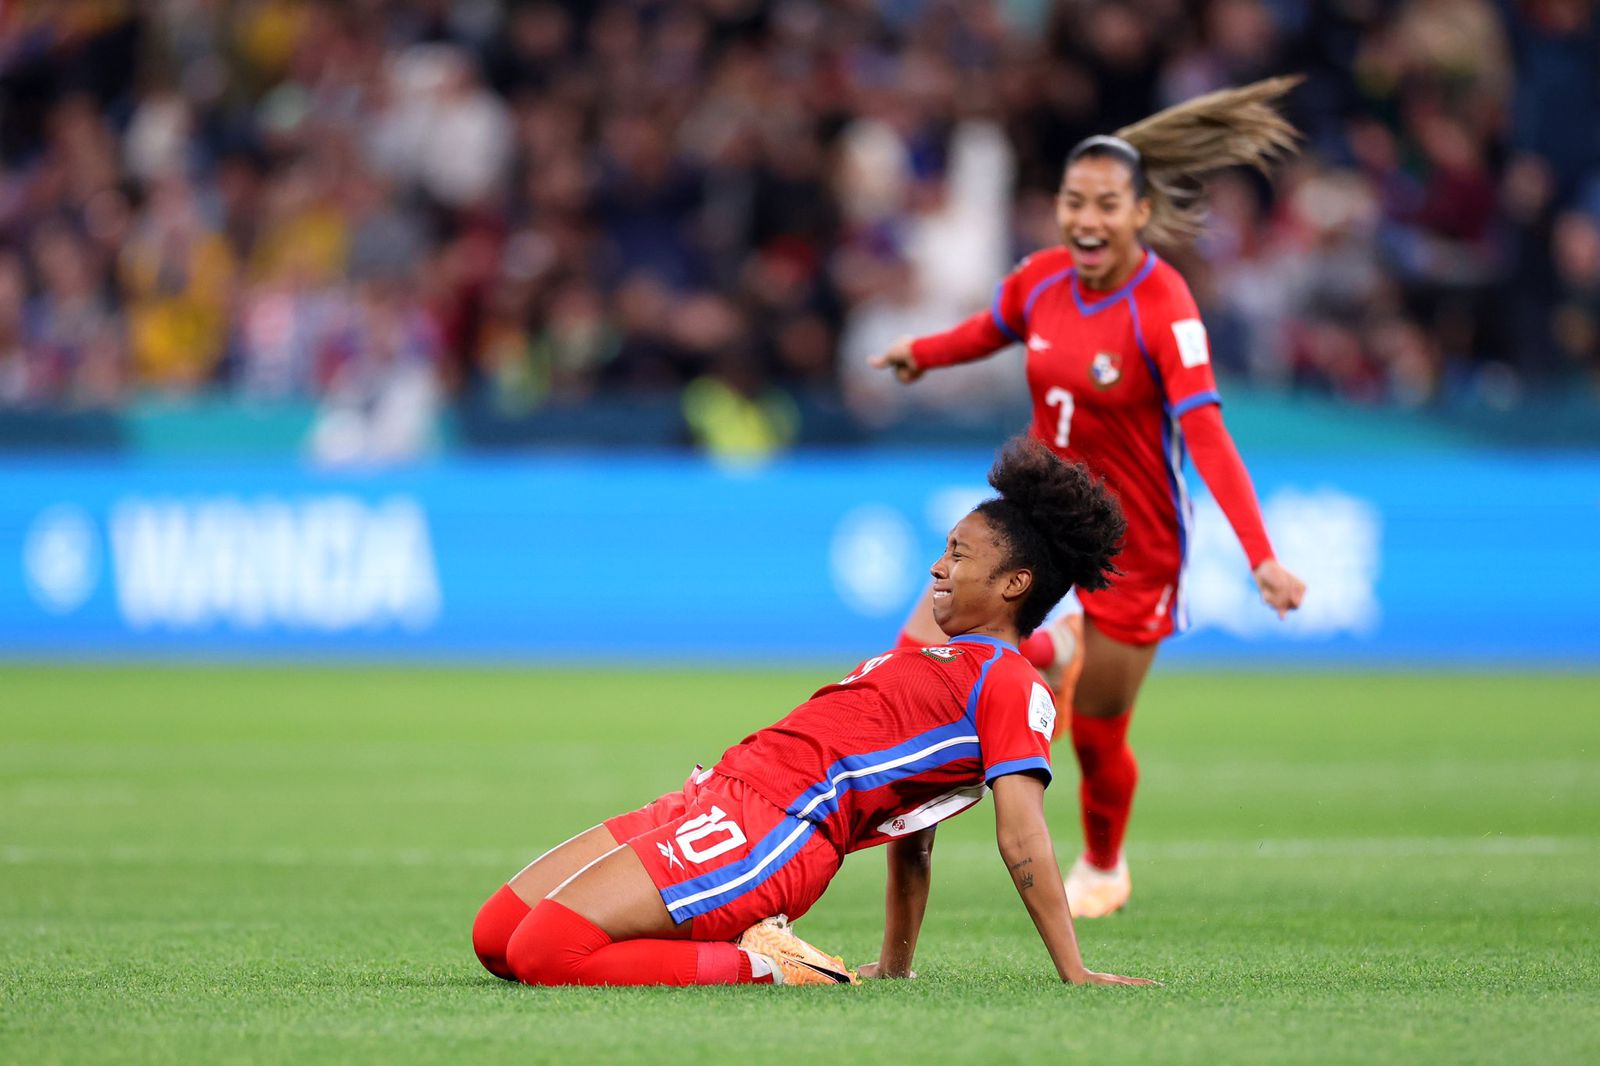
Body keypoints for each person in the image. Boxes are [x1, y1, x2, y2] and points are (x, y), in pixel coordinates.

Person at [471, 438, 1154, 988]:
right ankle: (718, 938)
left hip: (772, 830)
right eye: (945, 548)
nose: (938, 567)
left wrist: (1076, 972)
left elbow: (1022, 838)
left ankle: (774, 964)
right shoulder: (939, 660)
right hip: (715, 794)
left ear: (1014, 583)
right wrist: (896, 961)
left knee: (547, 954)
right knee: (497, 937)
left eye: (959, 554)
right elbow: (916, 831)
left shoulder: (1012, 683)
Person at [871, 78, 1309, 919]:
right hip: (1041, 524)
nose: (1086, 220)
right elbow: (987, 329)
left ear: (1140, 213)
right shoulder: (1040, 280)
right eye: (1074, 202)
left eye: (1107, 204)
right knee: (921, 645)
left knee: (1101, 734)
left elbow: (1207, 435)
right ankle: (925, 747)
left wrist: (1262, 556)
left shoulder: (1163, 306)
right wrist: (922, 354)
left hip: (1135, 552)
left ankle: (1104, 862)